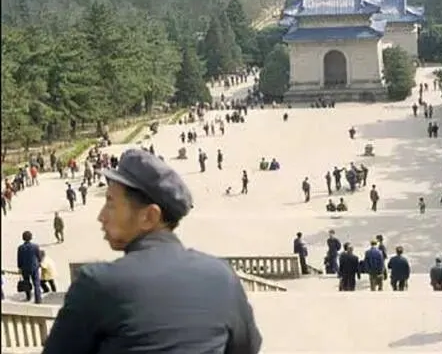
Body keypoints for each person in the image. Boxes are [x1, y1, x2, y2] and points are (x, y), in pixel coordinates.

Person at [41, 148, 262, 354]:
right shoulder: (222, 276)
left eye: (110, 203)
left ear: (149, 217)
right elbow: (246, 348)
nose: (101, 216)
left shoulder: (98, 284)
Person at [17, 230, 42, 304]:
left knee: (26, 282)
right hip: (34, 267)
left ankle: (28, 297)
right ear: (31, 237)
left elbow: (19, 258)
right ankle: (38, 299)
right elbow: (39, 256)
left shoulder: (20, 247)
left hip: (25, 268)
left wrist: (19, 267)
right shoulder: (35, 246)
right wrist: (39, 263)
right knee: (36, 283)